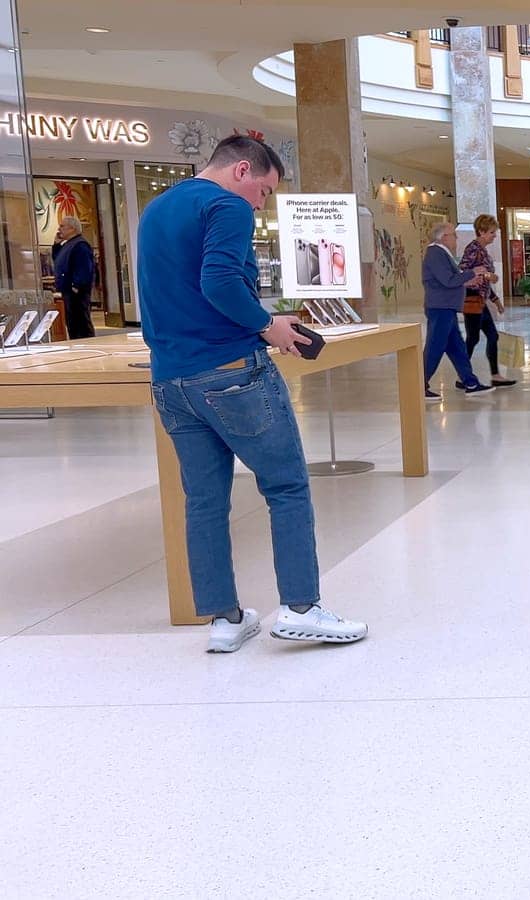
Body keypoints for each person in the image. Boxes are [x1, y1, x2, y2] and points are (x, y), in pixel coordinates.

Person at [138, 134, 368, 653]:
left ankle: (224, 619)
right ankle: (301, 607)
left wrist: (263, 320)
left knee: (203, 500)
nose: (261, 203)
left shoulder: (158, 208)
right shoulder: (227, 206)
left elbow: (180, 289)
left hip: (171, 378)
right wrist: (268, 326)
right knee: (285, 484)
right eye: (264, 191)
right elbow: (219, 281)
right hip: (231, 372)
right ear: (243, 170)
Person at [421, 221, 494, 402]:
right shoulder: (435, 253)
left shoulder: (441, 254)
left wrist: (467, 281)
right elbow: (447, 280)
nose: (456, 238)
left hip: (447, 308)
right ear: (444, 237)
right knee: (435, 347)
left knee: (457, 347)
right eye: (454, 235)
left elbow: (448, 280)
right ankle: (419, 385)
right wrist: (472, 273)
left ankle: (470, 382)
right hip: (440, 308)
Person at [458, 213, 516, 388]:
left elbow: (485, 279)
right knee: (473, 338)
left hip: (481, 300)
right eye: (492, 232)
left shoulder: (482, 250)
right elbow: (463, 272)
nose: (494, 236)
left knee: (491, 336)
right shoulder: (473, 250)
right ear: (482, 232)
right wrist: (484, 275)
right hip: (472, 300)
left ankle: (495, 375)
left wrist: (495, 299)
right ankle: (464, 375)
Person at [53, 216, 97, 338]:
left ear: (72, 228)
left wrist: (76, 286)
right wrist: (56, 245)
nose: (59, 229)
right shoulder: (68, 245)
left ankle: (87, 346)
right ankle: (78, 344)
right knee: (72, 323)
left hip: (76, 292)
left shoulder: (80, 245)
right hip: (68, 291)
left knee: (81, 322)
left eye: (62, 226)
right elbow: (58, 261)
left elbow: (84, 268)